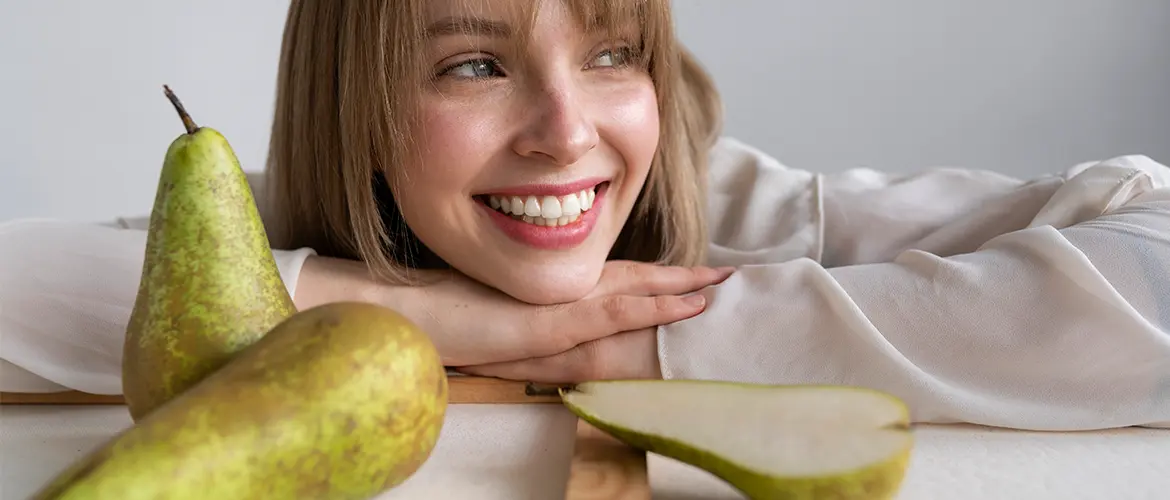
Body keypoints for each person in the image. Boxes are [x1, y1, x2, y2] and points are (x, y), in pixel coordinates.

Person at [2, 0, 1168, 433]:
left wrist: (653, 335)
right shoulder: (300, 225)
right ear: (354, 112)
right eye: (471, 66)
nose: (566, 131)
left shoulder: (730, 206)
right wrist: (423, 315)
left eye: (612, 53)